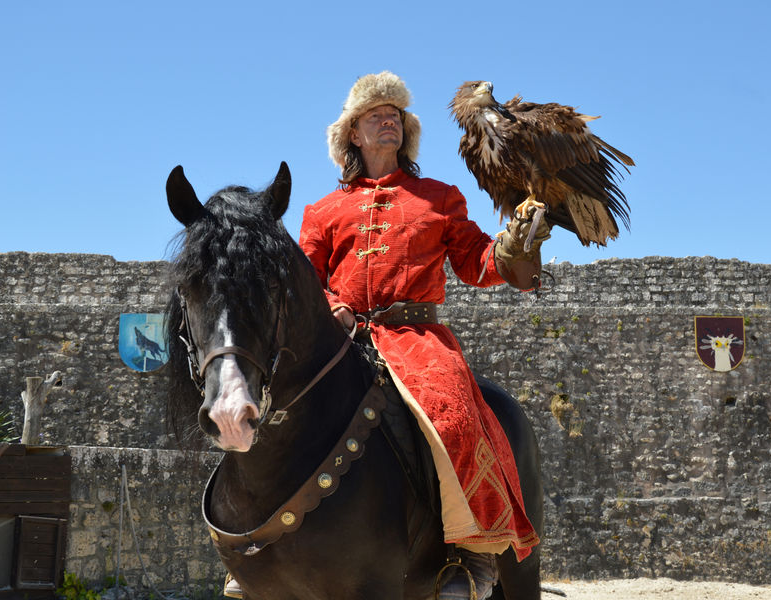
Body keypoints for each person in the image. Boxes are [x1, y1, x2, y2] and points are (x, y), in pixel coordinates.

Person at [227, 71, 549, 600]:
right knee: (267, 407)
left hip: (418, 340)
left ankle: (468, 553)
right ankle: (254, 553)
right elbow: (307, 280)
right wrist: (333, 309)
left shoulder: (439, 198)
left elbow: (476, 261)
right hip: (340, 341)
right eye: (376, 114)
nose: (389, 120)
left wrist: (511, 249)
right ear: (352, 133)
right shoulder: (323, 211)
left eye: (396, 115)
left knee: (456, 411)